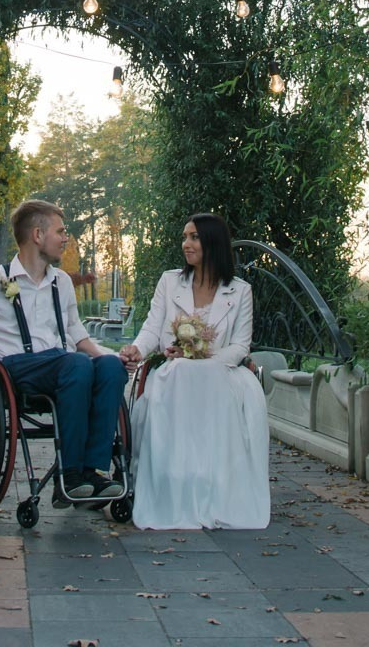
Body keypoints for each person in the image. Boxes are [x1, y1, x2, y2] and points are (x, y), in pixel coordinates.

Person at [0, 198, 128, 502]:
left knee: (108, 368)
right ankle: (69, 475)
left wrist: (110, 357)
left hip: (62, 367)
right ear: (37, 235)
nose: (66, 238)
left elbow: (77, 334)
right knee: (76, 365)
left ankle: (93, 471)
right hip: (16, 370)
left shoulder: (61, 282)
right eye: (60, 232)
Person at [118, 213, 269, 529]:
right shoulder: (170, 281)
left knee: (196, 375)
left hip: (221, 370)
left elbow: (240, 346)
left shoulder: (240, 291)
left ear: (213, 242)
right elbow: (152, 328)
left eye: (194, 237)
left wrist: (203, 355)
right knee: (180, 374)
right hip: (178, 369)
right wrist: (138, 349)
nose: (186, 244)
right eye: (185, 237)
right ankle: (176, 483)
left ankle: (212, 485)